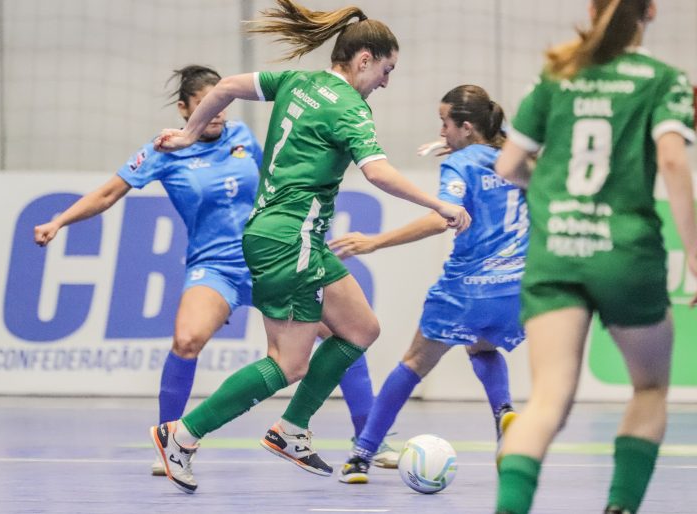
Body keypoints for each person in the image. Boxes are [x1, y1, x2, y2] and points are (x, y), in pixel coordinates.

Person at [149, 0, 471, 494]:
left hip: (293, 234)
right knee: (288, 362)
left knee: (361, 329)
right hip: (290, 238)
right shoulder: (350, 109)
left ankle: (291, 429)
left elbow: (230, 85)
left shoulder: (298, 82)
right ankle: (183, 436)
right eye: (387, 70)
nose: (386, 82)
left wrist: (191, 132)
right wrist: (438, 204)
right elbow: (378, 171)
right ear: (364, 59)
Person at [32, 64, 397, 476]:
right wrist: (59, 220)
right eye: (206, 104)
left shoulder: (243, 139)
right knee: (187, 339)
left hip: (267, 257)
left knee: (347, 330)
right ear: (185, 108)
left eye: (220, 104)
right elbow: (107, 193)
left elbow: (279, 180)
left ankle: (368, 440)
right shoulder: (163, 151)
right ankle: (171, 439)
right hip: (215, 268)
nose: (218, 113)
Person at [492, 1, 696, 513]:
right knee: (648, 388)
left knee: (546, 403)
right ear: (650, 12)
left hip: (557, 251)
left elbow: (509, 164)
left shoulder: (557, 73)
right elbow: (672, 159)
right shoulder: (663, 78)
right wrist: (695, 253)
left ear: (592, 8)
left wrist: (555, 196)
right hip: (626, 253)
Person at [332, 85, 528, 484]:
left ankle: (361, 455)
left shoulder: (461, 164)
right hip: (517, 288)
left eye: (445, 124)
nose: (441, 133)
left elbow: (444, 216)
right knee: (482, 345)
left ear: (468, 126)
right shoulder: (515, 159)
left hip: (467, 288)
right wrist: (466, 145)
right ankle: (504, 413)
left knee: (412, 364)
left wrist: (375, 241)